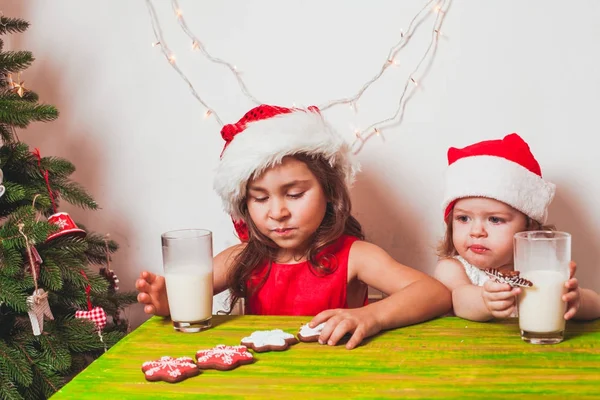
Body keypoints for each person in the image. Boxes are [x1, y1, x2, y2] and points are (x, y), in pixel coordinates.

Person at [137, 104, 451, 349]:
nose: (278, 212)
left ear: (329, 192)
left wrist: (372, 316)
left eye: (294, 194)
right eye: (260, 199)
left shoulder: (355, 256)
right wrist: (168, 301)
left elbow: (434, 293)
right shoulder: (242, 258)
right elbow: (189, 300)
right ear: (244, 206)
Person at [434, 133, 600, 322]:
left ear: (529, 227)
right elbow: (459, 301)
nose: (476, 231)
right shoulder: (452, 268)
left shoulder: (540, 265)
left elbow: (597, 305)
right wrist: (485, 300)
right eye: (463, 218)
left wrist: (576, 300)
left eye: (495, 220)